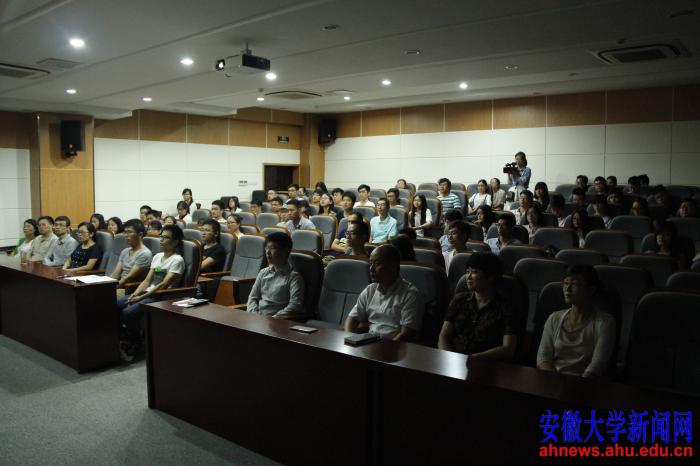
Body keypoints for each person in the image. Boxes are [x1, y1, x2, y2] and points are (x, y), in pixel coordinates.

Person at [118, 224, 185, 361]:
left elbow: (163, 284)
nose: (161, 240)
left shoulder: (177, 260)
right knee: (116, 303)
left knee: (128, 312)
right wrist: (135, 294)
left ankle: (137, 343)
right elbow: (147, 281)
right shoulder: (158, 256)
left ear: (175, 242)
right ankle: (124, 337)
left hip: (162, 296)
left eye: (166, 238)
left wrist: (140, 297)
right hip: (148, 293)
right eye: (161, 237)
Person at [537, 264, 616, 378]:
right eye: (565, 284)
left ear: (591, 290)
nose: (567, 289)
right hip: (553, 379)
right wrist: (556, 381)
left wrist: (577, 385)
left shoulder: (605, 322)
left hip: (585, 383)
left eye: (574, 284)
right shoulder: (554, 318)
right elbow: (543, 358)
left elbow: (597, 365)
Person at [438, 253, 517, 359]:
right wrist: (449, 358)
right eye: (467, 271)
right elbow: (443, 337)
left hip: (485, 363)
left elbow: (508, 348)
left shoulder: (505, 307)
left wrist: (474, 359)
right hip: (453, 360)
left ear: (491, 277)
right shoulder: (459, 300)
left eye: (474, 272)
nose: (468, 277)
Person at [345, 245, 423, 341]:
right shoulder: (370, 290)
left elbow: (407, 334)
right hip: (370, 343)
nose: (371, 269)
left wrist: (387, 348)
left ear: (393, 266)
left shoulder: (410, 294)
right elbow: (352, 319)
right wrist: (350, 339)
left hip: (395, 347)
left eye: (377, 264)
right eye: (370, 263)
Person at [247, 232, 304, 318]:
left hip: (277, 321)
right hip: (257, 318)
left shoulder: (294, 278)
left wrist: (274, 318)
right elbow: (252, 297)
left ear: (285, 251)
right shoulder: (263, 272)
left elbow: (295, 305)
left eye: (273, 248)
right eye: (266, 248)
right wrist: (254, 314)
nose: (267, 252)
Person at [110, 219, 153, 289]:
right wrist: (106, 284)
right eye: (125, 232)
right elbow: (116, 273)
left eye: (129, 232)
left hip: (129, 288)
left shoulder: (145, 253)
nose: (126, 235)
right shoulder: (125, 251)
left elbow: (129, 277)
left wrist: (112, 288)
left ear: (140, 235)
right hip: (119, 285)